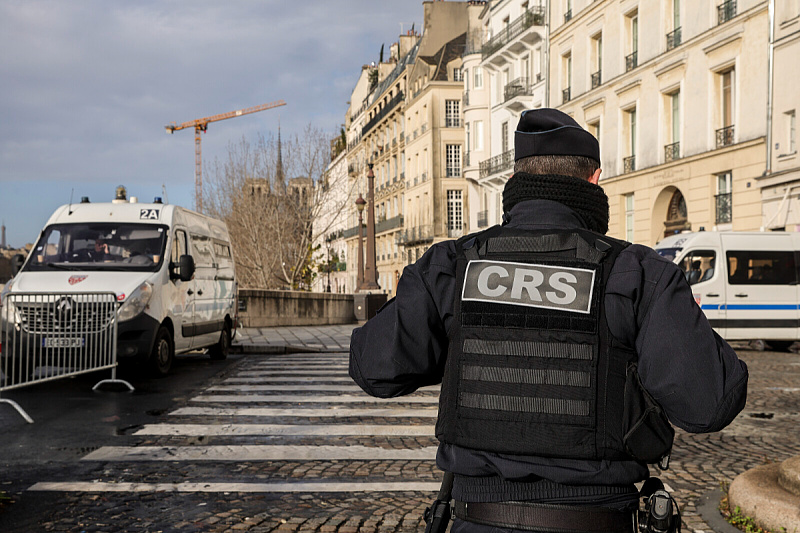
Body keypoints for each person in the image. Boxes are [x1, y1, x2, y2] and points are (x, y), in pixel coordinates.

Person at [349, 108, 748, 533]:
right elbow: (710, 402)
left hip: (477, 518)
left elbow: (374, 367)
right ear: (594, 180)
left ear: (515, 181)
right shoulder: (636, 273)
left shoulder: (453, 265)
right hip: (599, 519)